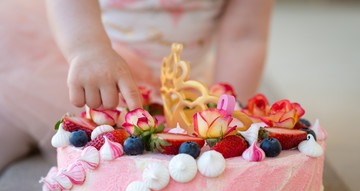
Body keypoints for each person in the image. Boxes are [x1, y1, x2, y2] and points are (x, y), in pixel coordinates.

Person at [0, 0, 273, 172]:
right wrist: (88, 49)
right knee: (15, 124)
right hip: (93, 67)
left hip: (179, 91)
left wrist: (229, 113)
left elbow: (245, 37)